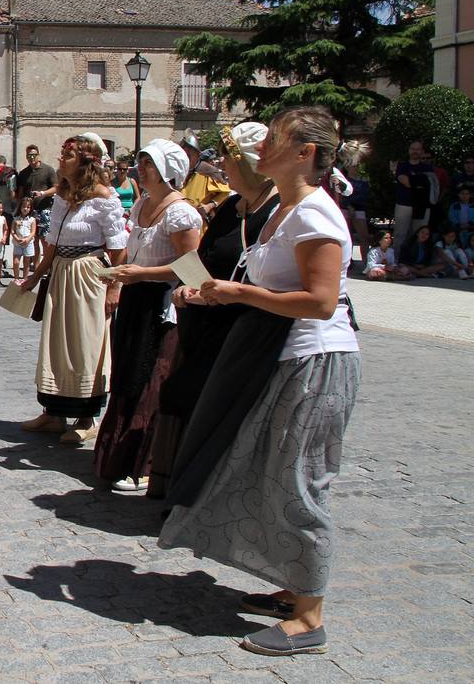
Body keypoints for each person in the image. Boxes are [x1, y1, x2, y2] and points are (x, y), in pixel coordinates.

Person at [160, 105, 362, 658]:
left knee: (300, 480)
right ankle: (296, 591)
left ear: (305, 154)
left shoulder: (314, 212)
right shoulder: (285, 210)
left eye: (274, 139)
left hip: (316, 359)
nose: (261, 148)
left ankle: (311, 618)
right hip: (283, 356)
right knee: (275, 473)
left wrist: (239, 293)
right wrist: (216, 294)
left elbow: (321, 302)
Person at [147, 122, 280, 500]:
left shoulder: (276, 213)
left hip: (243, 332)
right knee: (184, 397)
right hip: (206, 325)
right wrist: (189, 287)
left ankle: (210, 496)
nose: (220, 164)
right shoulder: (230, 209)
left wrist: (225, 293)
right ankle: (182, 490)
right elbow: (202, 261)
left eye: (227, 157)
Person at [96, 141, 202, 492]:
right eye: (140, 163)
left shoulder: (180, 213)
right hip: (136, 298)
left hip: (161, 304)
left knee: (151, 381)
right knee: (128, 376)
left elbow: (191, 268)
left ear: (167, 170)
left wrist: (142, 273)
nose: (141, 170)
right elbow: (133, 251)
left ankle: (145, 464)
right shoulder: (142, 204)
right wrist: (119, 275)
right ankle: (118, 456)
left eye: (149, 164)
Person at [17, 136, 127, 444]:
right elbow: (52, 244)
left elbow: (118, 248)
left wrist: (115, 287)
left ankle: (87, 418)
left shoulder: (103, 196)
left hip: (89, 275)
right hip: (62, 274)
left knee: (84, 345)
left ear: (84, 162)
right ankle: (54, 413)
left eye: (68, 155)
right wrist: (35, 276)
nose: (60, 159)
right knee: (56, 345)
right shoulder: (63, 195)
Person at [15, 144, 58, 264]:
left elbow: (56, 188)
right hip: (30, 212)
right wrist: (18, 210)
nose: (31, 157)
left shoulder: (48, 170)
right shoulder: (23, 173)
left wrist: (43, 193)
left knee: (46, 240)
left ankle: (48, 266)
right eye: (29, 155)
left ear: (38, 155)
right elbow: (20, 194)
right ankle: (37, 267)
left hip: (45, 209)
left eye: (34, 155)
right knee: (33, 241)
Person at [179, 132, 231, 222]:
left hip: (199, 220)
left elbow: (225, 192)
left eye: (190, 152)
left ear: (197, 154)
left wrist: (209, 206)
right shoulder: (178, 170)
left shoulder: (207, 170)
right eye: (184, 151)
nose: (186, 155)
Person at [392, 140, 434, 247]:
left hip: (422, 205)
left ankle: (416, 256)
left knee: (419, 235)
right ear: (409, 150)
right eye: (413, 149)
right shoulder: (402, 166)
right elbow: (405, 181)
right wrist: (418, 182)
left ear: (422, 151)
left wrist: (412, 180)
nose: (415, 151)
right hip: (403, 204)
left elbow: (428, 184)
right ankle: (398, 257)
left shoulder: (428, 168)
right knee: (400, 234)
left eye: (418, 149)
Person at [448, 184, 474, 249]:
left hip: (471, 230)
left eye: (467, 194)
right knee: (460, 246)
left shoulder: (473, 205)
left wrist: (470, 223)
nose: (464, 195)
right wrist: (458, 224)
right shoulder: (454, 206)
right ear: (458, 195)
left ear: (470, 195)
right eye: (462, 193)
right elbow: (451, 216)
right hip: (458, 230)